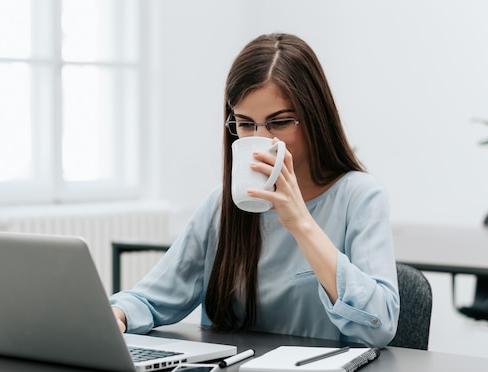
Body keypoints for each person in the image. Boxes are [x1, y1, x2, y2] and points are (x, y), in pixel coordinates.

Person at [109, 33, 399, 348]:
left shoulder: (359, 196)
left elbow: (379, 325)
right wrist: (118, 313)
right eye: (246, 124)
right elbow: (152, 297)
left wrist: (300, 222)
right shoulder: (222, 206)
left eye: (279, 122)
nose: (261, 139)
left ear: (315, 118)